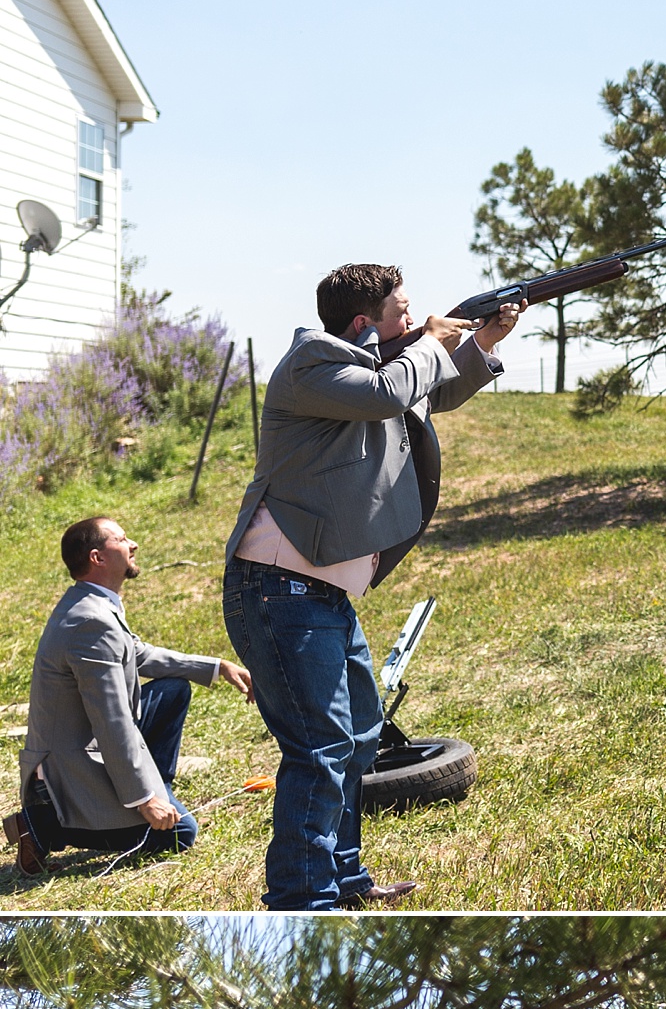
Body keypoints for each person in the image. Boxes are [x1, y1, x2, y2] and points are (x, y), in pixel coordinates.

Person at [220, 258, 523, 913]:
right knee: (320, 745)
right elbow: (390, 391)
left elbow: (429, 391)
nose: (414, 319)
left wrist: (481, 344)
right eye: (403, 311)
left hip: (319, 593)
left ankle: (345, 879)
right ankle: (304, 897)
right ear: (365, 322)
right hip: (277, 589)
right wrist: (433, 342)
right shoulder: (314, 364)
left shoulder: (376, 372)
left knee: (358, 734)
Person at [6, 514, 253, 883]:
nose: (132, 544)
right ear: (97, 558)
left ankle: (157, 791)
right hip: (69, 770)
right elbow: (111, 720)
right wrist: (144, 800)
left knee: (172, 689)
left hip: (88, 741)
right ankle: (42, 826)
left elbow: (136, 653)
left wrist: (216, 667)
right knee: (180, 835)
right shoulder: (88, 621)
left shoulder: (91, 603)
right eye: (121, 539)